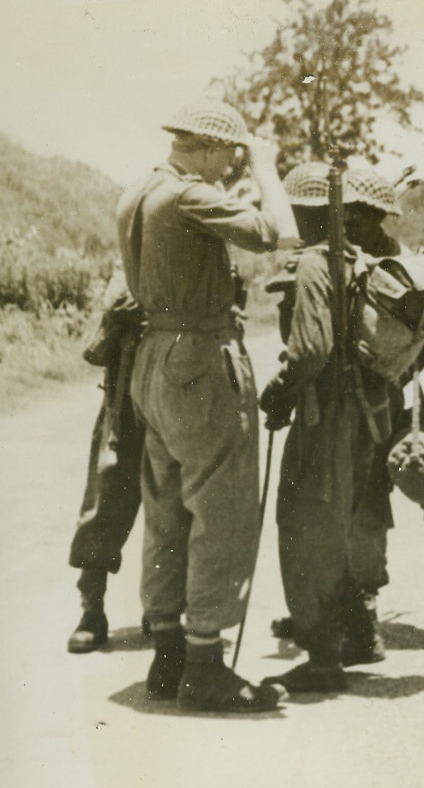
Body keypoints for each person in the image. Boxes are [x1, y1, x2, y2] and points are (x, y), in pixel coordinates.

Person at [117, 99, 299, 713]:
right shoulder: (191, 196)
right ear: (209, 145)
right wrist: (270, 170)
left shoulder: (142, 189)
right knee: (221, 506)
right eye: (232, 153)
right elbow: (276, 233)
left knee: (167, 508)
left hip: (153, 359)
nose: (233, 165)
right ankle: (204, 665)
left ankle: (168, 655)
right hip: (198, 357)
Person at [259, 163, 424, 691]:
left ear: (312, 212)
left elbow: (310, 350)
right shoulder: (371, 261)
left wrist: (278, 392)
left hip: (326, 416)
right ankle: (357, 634)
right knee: (347, 522)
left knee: (305, 527)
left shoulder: (318, 263)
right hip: (372, 414)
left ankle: (323, 659)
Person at [66, 269, 146, 653]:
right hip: (127, 398)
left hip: (183, 397)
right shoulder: (134, 252)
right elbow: (118, 300)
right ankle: (92, 608)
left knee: (179, 506)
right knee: (107, 497)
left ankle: (166, 610)